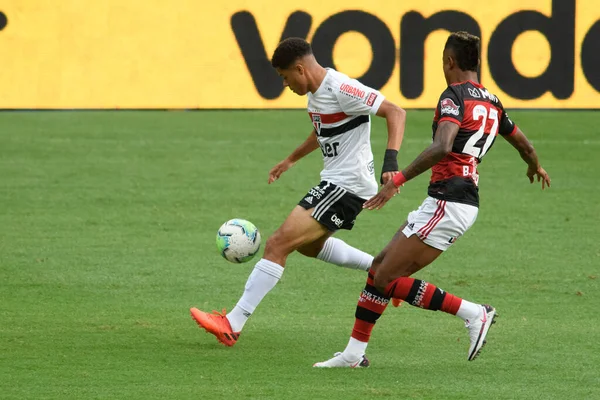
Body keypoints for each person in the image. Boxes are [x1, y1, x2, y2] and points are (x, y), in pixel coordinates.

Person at [314, 31, 551, 368]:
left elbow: (442, 145)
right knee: (379, 267)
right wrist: (535, 166)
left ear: (449, 62)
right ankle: (353, 354)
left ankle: (473, 313)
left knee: (384, 276)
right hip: (452, 201)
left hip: (449, 202)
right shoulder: (492, 101)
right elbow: (524, 145)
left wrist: (397, 178)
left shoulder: (453, 96)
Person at [190, 37, 407, 346]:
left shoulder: (342, 88)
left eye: (284, 77)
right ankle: (385, 274)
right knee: (307, 246)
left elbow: (396, 112)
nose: (285, 84)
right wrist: (291, 159)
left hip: (348, 184)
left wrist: (392, 162)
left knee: (277, 244)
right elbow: (324, 131)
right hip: (335, 182)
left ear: (300, 69)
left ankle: (232, 323)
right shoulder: (315, 96)